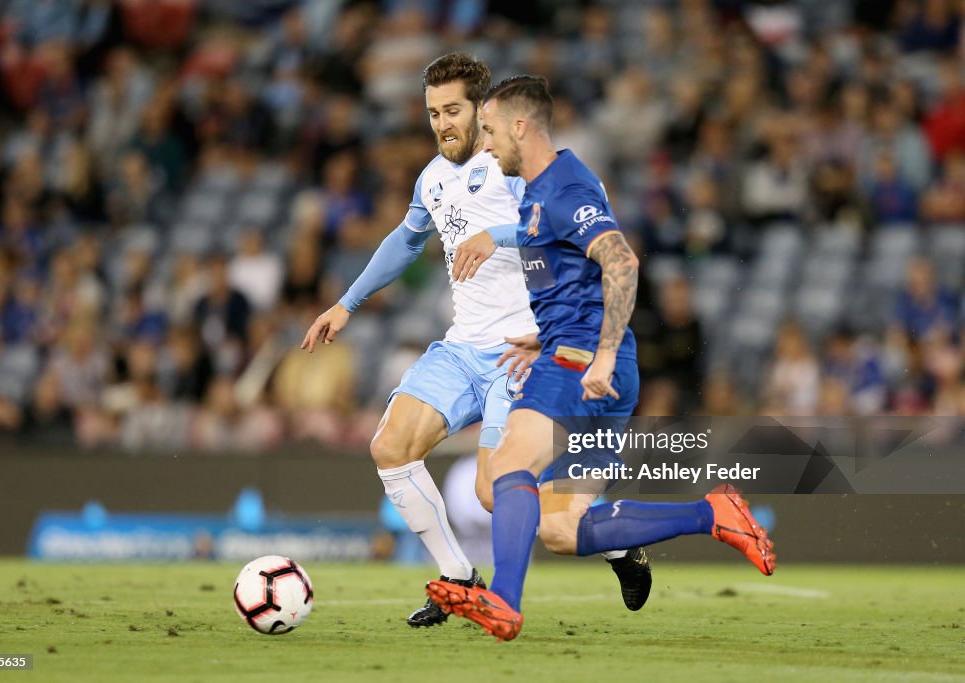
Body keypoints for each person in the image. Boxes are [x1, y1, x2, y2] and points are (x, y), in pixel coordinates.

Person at [302, 54, 652, 629]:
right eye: (433, 113)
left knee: (496, 493)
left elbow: (573, 223)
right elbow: (405, 240)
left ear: (482, 110)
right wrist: (346, 304)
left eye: (453, 111)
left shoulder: (517, 164)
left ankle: (616, 543)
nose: (442, 124)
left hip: (523, 346)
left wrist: (499, 233)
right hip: (463, 345)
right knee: (390, 447)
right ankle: (459, 578)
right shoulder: (433, 178)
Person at [427, 76, 776, 641]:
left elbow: (622, 263)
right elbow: (580, 278)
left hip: (582, 364)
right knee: (562, 527)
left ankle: (503, 601)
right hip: (586, 358)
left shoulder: (566, 189)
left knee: (506, 471)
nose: (484, 144)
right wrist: (550, 336)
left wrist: (601, 352)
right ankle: (713, 514)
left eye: (489, 131)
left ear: (520, 126)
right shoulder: (540, 193)